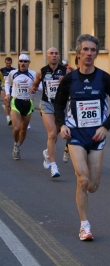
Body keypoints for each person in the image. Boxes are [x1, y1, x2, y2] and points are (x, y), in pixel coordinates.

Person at [54, 34, 110, 241]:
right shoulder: (69, 79)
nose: (89, 54)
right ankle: (84, 225)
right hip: (75, 134)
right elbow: (58, 105)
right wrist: (62, 125)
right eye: (85, 50)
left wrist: (105, 127)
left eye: (93, 50)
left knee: (92, 185)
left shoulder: (104, 78)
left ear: (96, 54)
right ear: (78, 53)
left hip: (97, 136)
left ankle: (83, 189)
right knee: (82, 179)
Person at [30, 47, 70, 178]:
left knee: (57, 132)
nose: (54, 55)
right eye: (51, 54)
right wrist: (33, 89)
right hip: (47, 104)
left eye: (56, 53)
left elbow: (74, 85)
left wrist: (65, 83)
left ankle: (47, 153)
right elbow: (35, 85)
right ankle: (54, 166)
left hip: (61, 105)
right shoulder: (41, 72)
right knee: (52, 134)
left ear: (59, 57)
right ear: (47, 57)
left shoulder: (66, 71)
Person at [4, 54, 36, 160]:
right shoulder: (13, 73)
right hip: (16, 102)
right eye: (21, 61)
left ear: (29, 63)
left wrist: (35, 88)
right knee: (16, 128)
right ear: (18, 62)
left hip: (28, 102)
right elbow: (7, 83)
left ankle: (17, 147)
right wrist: (8, 93)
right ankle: (15, 143)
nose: (23, 63)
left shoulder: (33, 74)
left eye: (25, 61)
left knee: (23, 130)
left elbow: (39, 86)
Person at [63, 56, 80, 164]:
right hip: (72, 106)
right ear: (77, 64)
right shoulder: (71, 76)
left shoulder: (93, 75)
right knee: (73, 129)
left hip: (87, 109)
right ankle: (67, 149)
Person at [1, 57, 16, 125]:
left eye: (9, 63)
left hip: (12, 89)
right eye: (7, 63)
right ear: (5, 62)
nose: (8, 64)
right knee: (7, 104)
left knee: (12, 105)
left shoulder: (14, 70)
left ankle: (10, 114)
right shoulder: (1, 70)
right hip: (4, 89)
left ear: (11, 63)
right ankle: (8, 118)